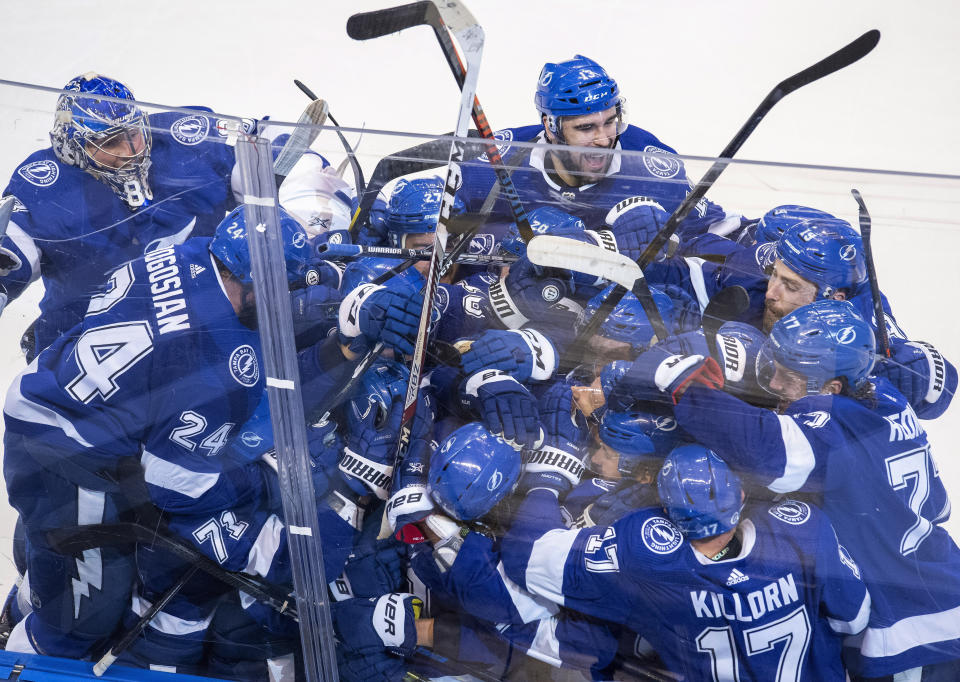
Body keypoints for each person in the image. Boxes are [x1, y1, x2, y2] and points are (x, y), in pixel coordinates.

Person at [0, 205, 421, 663]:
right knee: (83, 618)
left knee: (58, 571)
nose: (291, 295)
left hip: (50, 402)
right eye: (284, 285)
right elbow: (176, 487)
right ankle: (23, 659)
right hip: (68, 460)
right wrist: (257, 491)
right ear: (258, 283)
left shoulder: (189, 253)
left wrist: (342, 323)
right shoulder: (215, 364)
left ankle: (17, 610)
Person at [634, 299, 960, 679]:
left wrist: (683, 385)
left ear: (832, 386)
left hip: (914, 630)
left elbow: (766, 449)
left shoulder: (834, 428)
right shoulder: (889, 397)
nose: (774, 385)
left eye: (788, 378)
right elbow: (938, 509)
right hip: (946, 580)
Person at [0, 72, 350, 359]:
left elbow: (281, 154)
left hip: (202, 324)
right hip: (94, 341)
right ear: (72, 148)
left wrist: (307, 213)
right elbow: (8, 258)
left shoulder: (181, 139)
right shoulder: (42, 186)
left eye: (133, 134)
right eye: (109, 143)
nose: (131, 152)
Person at [501, 442, 870, 681]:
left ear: (665, 510)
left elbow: (525, 556)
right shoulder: (802, 526)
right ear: (740, 493)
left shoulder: (644, 551)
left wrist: (546, 483)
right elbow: (853, 618)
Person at [454, 55, 738, 237]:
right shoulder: (496, 162)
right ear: (550, 127)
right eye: (585, 127)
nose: (603, 139)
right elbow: (433, 223)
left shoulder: (651, 169)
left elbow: (713, 232)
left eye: (609, 122)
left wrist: (755, 248)